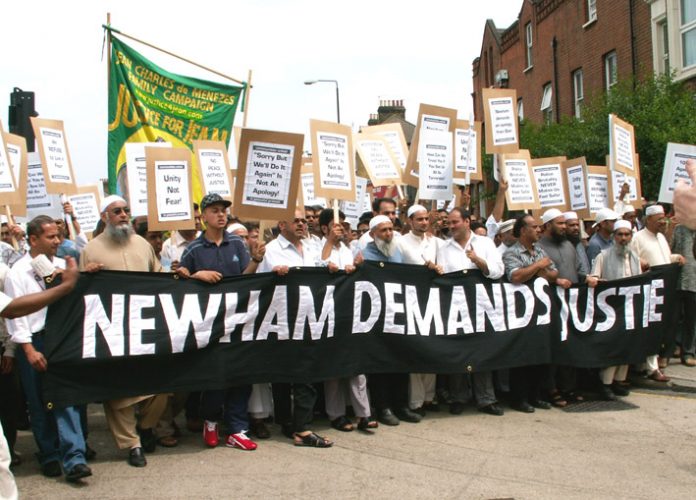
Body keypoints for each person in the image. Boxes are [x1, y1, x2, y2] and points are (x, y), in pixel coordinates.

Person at [80, 195, 168, 467]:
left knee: (161, 384)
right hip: (112, 330)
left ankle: (146, 426)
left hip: (145, 325)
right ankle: (132, 444)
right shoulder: (91, 250)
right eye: (116, 211)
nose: (123, 215)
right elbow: (79, 290)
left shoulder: (142, 244)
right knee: (119, 389)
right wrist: (88, 274)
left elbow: (158, 273)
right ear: (105, 216)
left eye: (126, 210)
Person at [5, 216, 91, 483]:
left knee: (68, 398)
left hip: (63, 340)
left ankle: (75, 457)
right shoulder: (17, 272)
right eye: (50, 237)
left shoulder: (63, 267)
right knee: (39, 401)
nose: (57, 241)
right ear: (33, 239)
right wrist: (29, 350)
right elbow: (16, 315)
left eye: (58, 236)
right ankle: (50, 453)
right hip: (35, 340)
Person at [177, 194, 265, 451]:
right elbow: (180, 286)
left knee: (241, 374)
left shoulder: (237, 244)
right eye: (215, 210)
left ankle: (238, 429)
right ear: (203, 216)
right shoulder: (193, 250)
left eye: (224, 210)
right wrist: (195, 275)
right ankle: (211, 419)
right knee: (216, 375)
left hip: (238, 321)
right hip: (208, 325)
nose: (221, 215)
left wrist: (256, 261)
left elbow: (243, 278)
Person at [256, 208, 332, 447]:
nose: (302, 224)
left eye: (303, 221)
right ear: (282, 225)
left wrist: (331, 269)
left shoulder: (310, 248)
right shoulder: (269, 251)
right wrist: (273, 275)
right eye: (295, 221)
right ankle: (290, 423)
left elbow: (320, 272)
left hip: (309, 320)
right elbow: (257, 284)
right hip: (281, 321)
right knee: (283, 374)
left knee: (305, 373)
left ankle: (301, 426)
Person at [436, 207, 505, 417]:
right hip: (454, 307)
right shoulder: (443, 247)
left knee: (481, 350)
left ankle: (486, 399)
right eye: (449, 222)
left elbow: (498, 271)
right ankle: (459, 397)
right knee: (458, 351)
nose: (451, 226)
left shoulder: (485, 244)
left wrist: (478, 261)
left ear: (467, 221)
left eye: (455, 222)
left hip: (481, 306)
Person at [315, 208, 375, 432]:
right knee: (334, 367)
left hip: (350, 312)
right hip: (327, 314)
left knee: (355, 364)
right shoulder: (316, 245)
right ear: (324, 228)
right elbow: (317, 265)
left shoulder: (348, 248)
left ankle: (363, 413)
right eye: (335, 225)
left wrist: (356, 267)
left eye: (342, 225)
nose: (341, 229)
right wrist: (329, 246)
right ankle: (336, 414)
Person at [360, 215, 422, 425]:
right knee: (380, 364)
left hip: (398, 314)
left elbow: (416, 268)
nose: (388, 234)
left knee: (401, 360)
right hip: (376, 318)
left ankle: (401, 406)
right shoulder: (364, 253)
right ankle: (383, 407)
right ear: (372, 234)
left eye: (390, 230)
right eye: (383, 231)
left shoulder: (399, 248)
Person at [538, 209, 598, 405]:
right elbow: (538, 275)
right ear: (547, 226)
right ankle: (550, 388)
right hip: (551, 303)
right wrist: (556, 282)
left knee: (571, 345)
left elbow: (579, 271)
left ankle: (569, 387)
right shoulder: (539, 247)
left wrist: (586, 278)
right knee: (553, 347)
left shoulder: (571, 246)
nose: (564, 227)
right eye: (560, 223)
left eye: (565, 223)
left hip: (572, 302)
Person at [503, 214, 559, 412]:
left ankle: (536, 396)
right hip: (521, 311)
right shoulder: (511, 253)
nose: (538, 230)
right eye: (534, 227)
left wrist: (539, 271)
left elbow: (553, 274)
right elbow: (516, 276)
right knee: (521, 355)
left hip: (541, 310)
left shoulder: (540, 250)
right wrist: (537, 267)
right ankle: (519, 398)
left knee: (539, 354)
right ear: (523, 230)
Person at [631, 204, 685, 381]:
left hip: (663, 290)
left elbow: (664, 258)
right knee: (650, 329)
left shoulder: (661, 237)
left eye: (664, 217)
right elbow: (631, 259)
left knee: (658, 328)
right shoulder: (637, 238)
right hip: (647, 290)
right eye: (659, 218)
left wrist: (675, 258)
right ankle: (651, 368)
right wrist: (642, 263)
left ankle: (644, 366)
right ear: (649, 219)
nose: (664, 221)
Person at [398, 205, 443, 415]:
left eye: (426, 219)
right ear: (410, 221)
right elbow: (415, 263)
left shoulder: (434, 242)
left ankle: (429, 397)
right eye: (419, 219)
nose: (424, 222)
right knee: (415, 351)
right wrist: (429, 266)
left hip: (432, 300)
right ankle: (416, 401)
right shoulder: (401, 241)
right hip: (410, 300)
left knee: (432, 348)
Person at [590, 220, 642, 400]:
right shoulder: (603, 256)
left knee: (627, 345)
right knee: (612, 347)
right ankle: (605, 384)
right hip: (610, 310)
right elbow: (594, 277)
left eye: (627, 235)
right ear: (613, 237)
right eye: (620, 234)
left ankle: (619, 381)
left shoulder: (634, 256)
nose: (623, 238)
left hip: (630, 309)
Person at [671, 222, 696, 367]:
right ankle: (673, 347)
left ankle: (688, 352)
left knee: (691, 320)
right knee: (674, 317)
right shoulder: (678, 228)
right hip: (678, 280)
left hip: (694, 282)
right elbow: (669, 249)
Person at [160, 203, 201, 271]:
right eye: (193, 219)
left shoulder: (206, 239)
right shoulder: (167, 246)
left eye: (199, 218)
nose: (198, 222)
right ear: (181, 221)